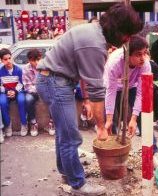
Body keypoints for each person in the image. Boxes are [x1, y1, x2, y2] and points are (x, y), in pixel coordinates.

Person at [36, 3, 143, 195]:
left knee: (64, 133)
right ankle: (78, 184)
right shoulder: (95, 44)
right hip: (55, 81)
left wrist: (85, 99)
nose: (127, 40)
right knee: (71, 137)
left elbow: (84, 73)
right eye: (127, 34)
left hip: (54, 79)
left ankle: (67, 172)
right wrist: (101, 127)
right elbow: (97, 89)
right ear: (118, 29)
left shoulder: (93, 31)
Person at [104, 35, 158, 168]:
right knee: (110, 121)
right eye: (138, 54)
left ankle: (153, 153)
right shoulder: (114, 63)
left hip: (132, 86)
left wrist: (134, 117)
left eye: (145, 53)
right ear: (128, 55)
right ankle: (114, 153)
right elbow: (111, 91)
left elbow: (141, 92)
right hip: (115, 86)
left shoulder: (145, 64)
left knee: (143, 116)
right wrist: (108, 118)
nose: (143, 58)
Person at [22, 49, 55, 137]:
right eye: (34, 60)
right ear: (29, 60)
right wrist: (40, 89)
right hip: (34, 92)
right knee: (28, 99)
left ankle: (52, 123)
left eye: (38, 59)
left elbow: (51, 82)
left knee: (53, 98)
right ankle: (33, 123)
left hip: (46, 91)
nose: (37, 62)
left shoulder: (46, 67)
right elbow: (27, 86)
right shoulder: (26, 68)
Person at [0, 48, 28, 137]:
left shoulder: (19, 70)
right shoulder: (0, 71)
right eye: (5, 59)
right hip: (5, 92)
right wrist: (7, 91)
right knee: (2, 102)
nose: (8, 61)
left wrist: (15, 91)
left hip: (18, 91)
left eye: (9, 58)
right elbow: (0, 85)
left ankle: (24, 124)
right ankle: (8, 125)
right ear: (1, 60)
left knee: (21, 100)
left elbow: (21, 83)